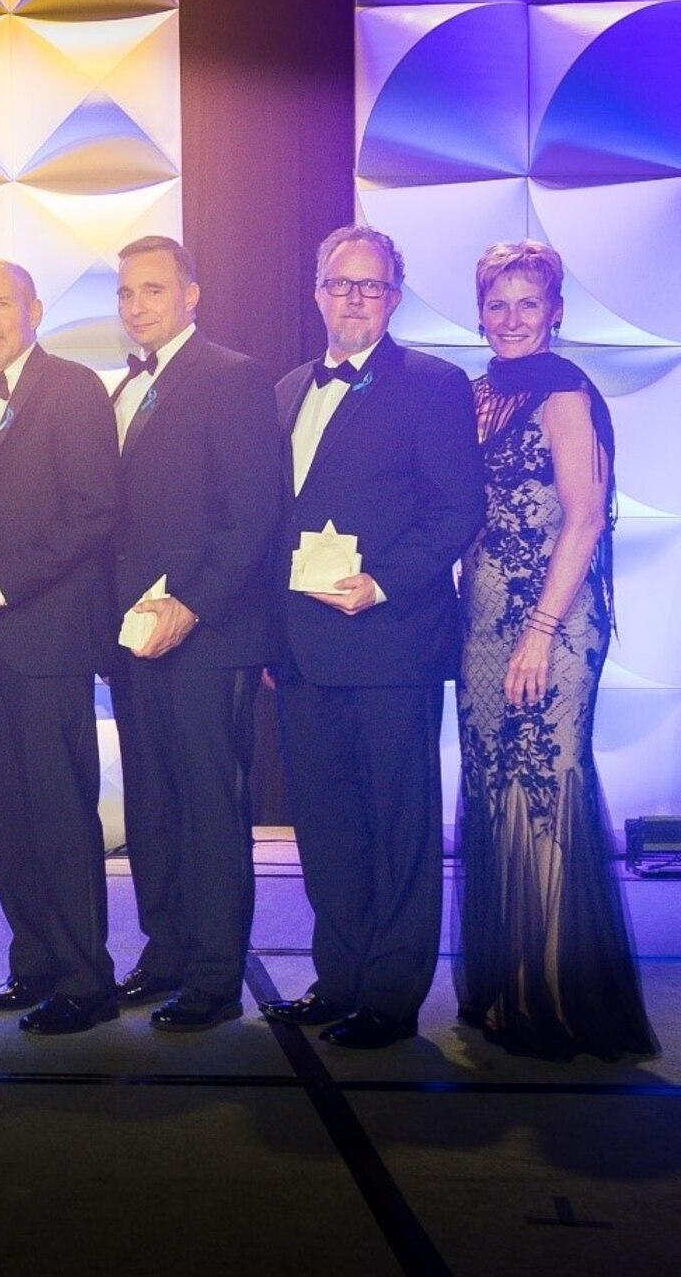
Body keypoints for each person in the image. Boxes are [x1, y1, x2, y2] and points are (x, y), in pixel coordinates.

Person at [262, 225, 485, 1049]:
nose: (355, 298)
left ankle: (390, 996)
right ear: (316, 291)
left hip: (392, 641)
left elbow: (457, 508)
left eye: (373, 285)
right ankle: (341, 976)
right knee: (324, 826)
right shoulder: (285, 389)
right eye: (341, 283)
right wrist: (268, 638)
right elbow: (268, 524)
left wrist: (383, 580)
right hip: (302, 653)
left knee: (398, 824)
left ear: (393, 297)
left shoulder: (434, 384)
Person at [452, 239, 657, 1061]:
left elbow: (585, 517)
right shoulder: (472, 395)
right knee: (492, 787)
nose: (511, 318)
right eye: (497, 303)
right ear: (480, 311)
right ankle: (507, 985)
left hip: (556, 621)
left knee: (543, 788)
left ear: (556, 311)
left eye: (527, 303)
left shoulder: (566, 392)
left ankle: (553, 998)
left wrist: (538, 632)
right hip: (482, 618)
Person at [0, 260, 121, 1034]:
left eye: (0, 303)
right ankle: (33, 963)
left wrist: (3, 579)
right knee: (6, 813)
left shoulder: (73, 387)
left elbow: (93, 510)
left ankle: (85, 977)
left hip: (51, 638)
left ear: (34, 308)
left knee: (62, 813)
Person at [106, 237, 282, 1033]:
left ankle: (214, 976)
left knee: (211, 808)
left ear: (191, 294)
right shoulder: (126, 386)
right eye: (126, 293)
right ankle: (166, 949)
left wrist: (193, 606)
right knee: (152, 804)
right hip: (135, 638)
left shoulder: (233, 376)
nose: (137, 305)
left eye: (152, 289)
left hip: (209, 635)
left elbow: (252, 515)